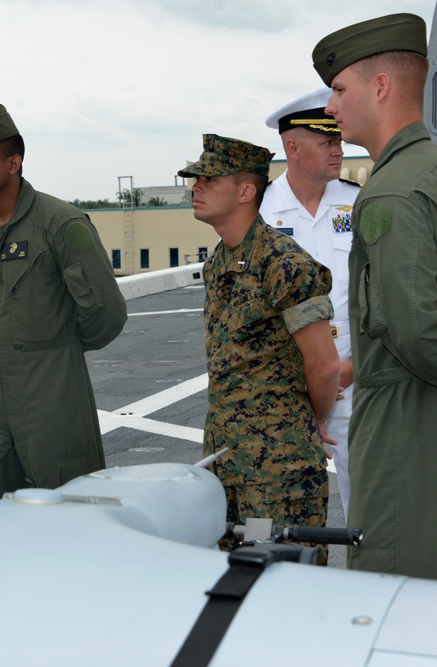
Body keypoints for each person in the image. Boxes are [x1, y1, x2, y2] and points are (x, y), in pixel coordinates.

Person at [0, 103, 127, 501]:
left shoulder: (61, 224)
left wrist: (54, 346)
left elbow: (106, 314)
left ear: (14, 162)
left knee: (69, 508)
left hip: (54, 393)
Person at [313, 13, 437, 578]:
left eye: (339, 89)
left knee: (395, 599)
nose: (331, 107)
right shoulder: (427, 170)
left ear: (381, 87)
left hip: (404, 434)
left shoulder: (391, 191)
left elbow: (418, 334)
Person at [179, 134, 339, 561]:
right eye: (195, 178)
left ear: (246, 191)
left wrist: (308, 424)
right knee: (235, 588)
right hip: (226, 463)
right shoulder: (219, 262)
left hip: (278, 474)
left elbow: (324, 366)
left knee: (288, 589)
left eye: (208, 179)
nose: (196, 186)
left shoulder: (285, 265)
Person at [260, 88, 360, 520]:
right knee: (286, 506)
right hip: (288, 384)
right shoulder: (260, 211)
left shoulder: (360, 203)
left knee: (371, 502)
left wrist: (348, 368)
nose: (339, 150)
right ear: (293, 148)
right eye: (327, 142)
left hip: (355, 376)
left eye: (339, 140)